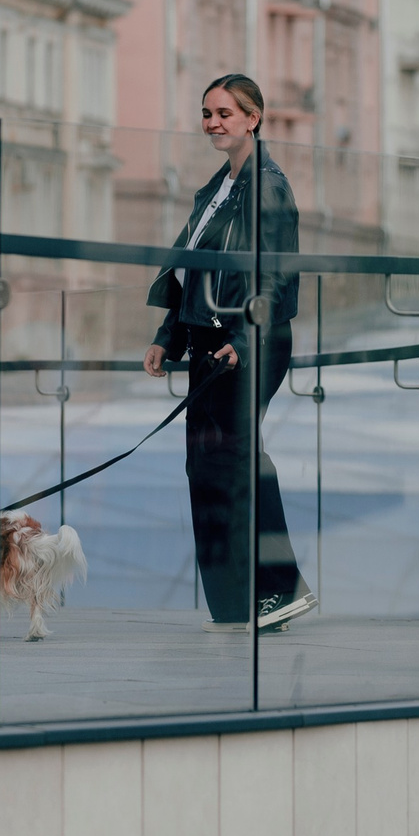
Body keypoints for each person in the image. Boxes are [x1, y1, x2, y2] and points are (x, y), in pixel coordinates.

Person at [141, 75, 314, 632]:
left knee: (236, 457)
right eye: (207, 113)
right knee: (206, 464)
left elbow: (278, 274)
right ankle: (239, 599)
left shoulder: (268, 187)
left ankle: (279, 590)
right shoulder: (219, 187)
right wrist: (170, 334)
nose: (214, 123)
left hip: (249, 341)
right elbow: (196, 272)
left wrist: (242, 339)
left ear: (253, 118)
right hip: (210, 340)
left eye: (225, 113)